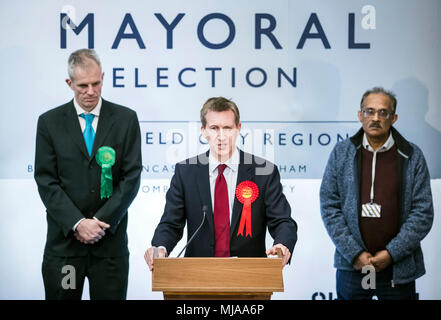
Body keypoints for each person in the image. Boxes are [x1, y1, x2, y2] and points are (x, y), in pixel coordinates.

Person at [34, 49, 142, 300]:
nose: (91, 91)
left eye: (96, 83)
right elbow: (46, 180)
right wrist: (78, 224)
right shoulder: (49, 122)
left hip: (109, 249)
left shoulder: (126, 119)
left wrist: (100, 223)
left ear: (103, 77)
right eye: (83, 85)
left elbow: (131, 176)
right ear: (69, 83)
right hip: (65, 250)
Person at [144, 97, 297, 270]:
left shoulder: (264, 171)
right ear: (203, 131)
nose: (221, 136)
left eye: (227, 128)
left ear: (238, 129)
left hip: (249, 275)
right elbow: (171, 223)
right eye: (214, 128)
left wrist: (282, 244)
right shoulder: (185, 172)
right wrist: (160, 248)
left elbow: (283, 221)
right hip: (197, 276)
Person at [320, 87, 434, 300]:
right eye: (369, 111)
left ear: (394, 118)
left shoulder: (412, 155)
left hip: (396, 269)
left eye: (383, 112)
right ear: (359, 115)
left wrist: (391, 254)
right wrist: (355, 254)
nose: (375, 118)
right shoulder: (341, 153)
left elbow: (423, 213)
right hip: (355, 267)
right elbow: (329, 205)